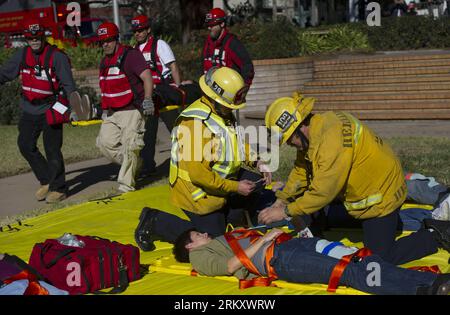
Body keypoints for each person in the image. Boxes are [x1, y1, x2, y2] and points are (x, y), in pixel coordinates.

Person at [258, 92, 450, 265]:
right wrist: (281, 199)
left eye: (290, 138)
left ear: (300, 126)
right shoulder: (320, 125)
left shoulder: (330, 143)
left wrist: (286, 211)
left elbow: (323, 192)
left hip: (382, 197)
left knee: (380, 258)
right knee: (318, 211)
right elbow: (301, 170)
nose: (290, 144)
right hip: (368, 188)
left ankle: (435, 235)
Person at [134, 67, 272, 251]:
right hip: (197, 193)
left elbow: (235, 141)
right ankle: (155, 221)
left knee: (257, 184)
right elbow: (200, 176)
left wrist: (257, 161)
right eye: (229, 105)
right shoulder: (195, 125)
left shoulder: (221, 111)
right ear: (215, 99)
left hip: (219, 182)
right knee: (213, 243)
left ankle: (231, 217)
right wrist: (235, 187)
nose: (231, 109)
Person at [173, 228, 450, 295]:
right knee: (349, 272)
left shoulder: (220, 239)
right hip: (282, 258)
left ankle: (427, 282)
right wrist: (266, 238)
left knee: (359, 258)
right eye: (198, 235)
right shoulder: (199, 257)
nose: (205, 233)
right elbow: (231, 266)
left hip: (291, 245)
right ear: (189, 245)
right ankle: (425, 287)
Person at [0, 20, 78, 203]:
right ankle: (46, 180)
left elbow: (69, 86)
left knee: (52, 149)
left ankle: (58, 188)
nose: (34, 41)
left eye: (37, 38)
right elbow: (5, 73)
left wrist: (74, 108)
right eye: (30, 38)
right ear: (26, 39)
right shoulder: (22, 55)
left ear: (43, 37)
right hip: (30, 108)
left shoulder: (56, 57)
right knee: (25, 144)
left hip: (52, 107)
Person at [95, 22, 154, 193]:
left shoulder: (131, 55)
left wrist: (148, 99)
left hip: (132, 110)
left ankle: (126, 186)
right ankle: (136, 162)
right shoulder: (104, 62)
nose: (105, 44)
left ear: (116, 39)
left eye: (108, 40)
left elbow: (147, 77)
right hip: (112, 112)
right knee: (104, 143)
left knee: (130, 146)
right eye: (101, 41)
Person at [130, 15, 186, 175]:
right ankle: (148, 166)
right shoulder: (135, 50)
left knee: (176, 129)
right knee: (148, 133)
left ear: (148, 30)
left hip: (164, 93)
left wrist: (178, 88)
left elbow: (173, 66)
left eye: (141, 30)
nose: (138, 33)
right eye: (135, 31)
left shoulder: (159, 45)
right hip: (148, 96)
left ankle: (188, 159)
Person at [203, 8, 254, 87]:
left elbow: (247, 66)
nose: (209, 28)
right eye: (208, 25)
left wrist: (243, 88)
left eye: (212, 25)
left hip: (228, 91)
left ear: (222, 24)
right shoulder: (208, 43)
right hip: (209, 89)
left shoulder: (232, 43)